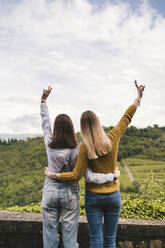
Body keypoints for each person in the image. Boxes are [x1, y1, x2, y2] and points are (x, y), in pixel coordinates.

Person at [45, 81, 145, 248]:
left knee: (96, 241)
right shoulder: (112, 138)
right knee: (111, 240)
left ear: (83, 128)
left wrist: (54, 175)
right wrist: (138, 98)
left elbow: (76, 175)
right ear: (98, 122)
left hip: (93, 197)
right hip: (113, 195)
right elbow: (126, 118)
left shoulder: (84, 148)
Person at [40, 86, 120, 248]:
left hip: (50, 191)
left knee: (49, 232)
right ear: (71, 129)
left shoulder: (49, 144)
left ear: (56, 130)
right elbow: (85, 174)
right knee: (70, 235)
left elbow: (45, 124)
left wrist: (43, 102)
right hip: (70, 194)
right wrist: (111, 175)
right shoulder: (78, 149)